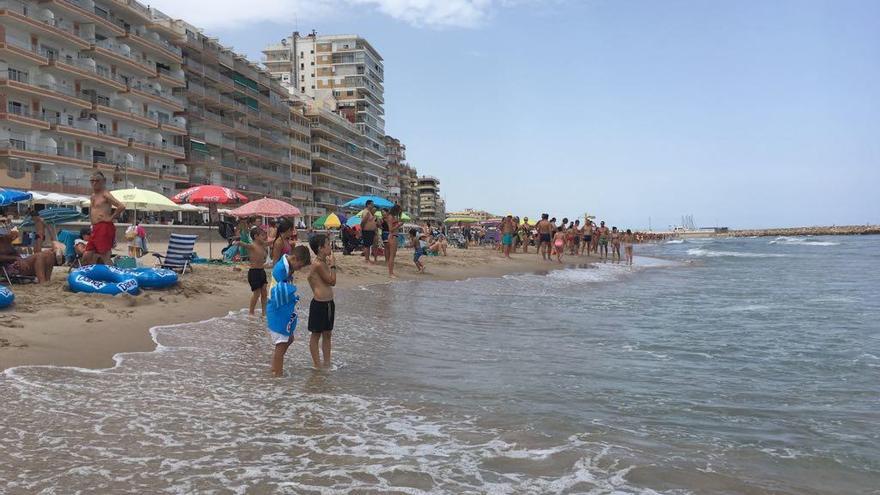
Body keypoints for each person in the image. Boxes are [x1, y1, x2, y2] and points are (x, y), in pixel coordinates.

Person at [266, 245, 311, 377]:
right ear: (294, 258)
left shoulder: (287, 265)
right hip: (277, 308)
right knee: (281, 342)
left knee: (289, 338)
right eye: (300, 265)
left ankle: (275, 367)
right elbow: (280, 292)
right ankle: (277, 375)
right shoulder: (281, 269)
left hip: (282, 306)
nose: (300, 269)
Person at [307, 234, 337, 370]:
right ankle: (317, 365)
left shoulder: (323, 262)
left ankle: (327, 363)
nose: (330, 246)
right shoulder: (318, 264)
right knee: (316, 334)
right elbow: (332, 281)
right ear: (320, 248)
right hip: (319, 304)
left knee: (327, 334)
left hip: (328, 303)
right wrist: (333, 266)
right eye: (328, 244)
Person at [82, 172, 125, 265]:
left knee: (105, 255)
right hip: (95, 227)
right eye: (92, 181)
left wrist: (110, 218)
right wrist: (92, 224)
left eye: (97, 181)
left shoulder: (105, 194)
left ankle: (113, 276)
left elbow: (121, 206)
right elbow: (92, 210)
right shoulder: (93, 196)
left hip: (104, 227)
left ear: (104, 181)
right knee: (87, 255)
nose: (94, 183)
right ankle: (91, 275)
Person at [234, 226, 271, 316]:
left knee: (264, 292)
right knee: (257, 293)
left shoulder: (263, 245)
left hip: (262, 271)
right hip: (254, 272)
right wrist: (238, 242)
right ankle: (251, 312)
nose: (264, 237)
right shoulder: (252, 246)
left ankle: (264, 312)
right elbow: (244, 244)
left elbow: (270, 242)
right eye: (262, 235)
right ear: (256, 236)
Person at [385, 204, 402, 278]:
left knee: (393, 255)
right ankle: (390, 273)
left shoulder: (394, 216)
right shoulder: (390, 217)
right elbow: (390, 229)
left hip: (394, 236)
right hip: (392, 236)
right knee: (391, 256)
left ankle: (391, 272)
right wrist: (398, 225)